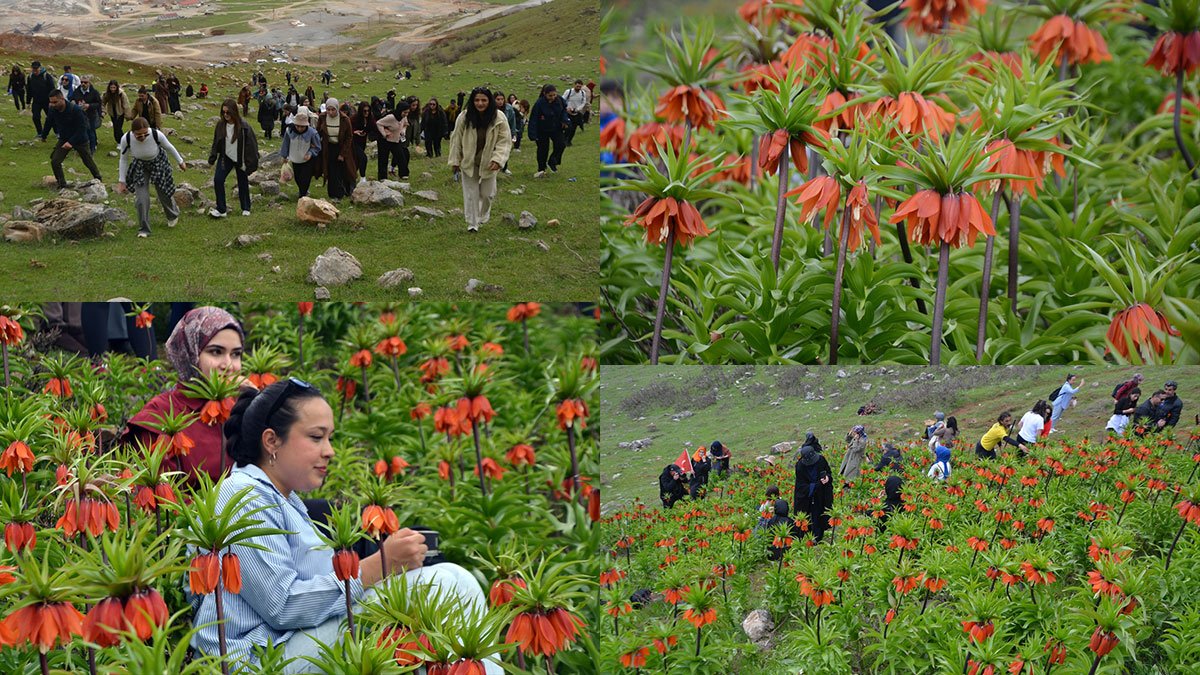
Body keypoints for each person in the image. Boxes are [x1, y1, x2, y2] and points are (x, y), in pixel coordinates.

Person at [189, 378, 499, 674]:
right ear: (271, 440)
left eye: (330, 437)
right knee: (446, 586)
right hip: (260, 659)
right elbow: (282, 605)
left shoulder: (283, 498)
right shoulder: (243, 494)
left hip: (291, 643)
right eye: (316, 437)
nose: (329, 450)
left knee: (453, 577)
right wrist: (379, 566)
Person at [124, 307, 248, 485]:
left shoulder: (240, 406)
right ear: (189, 352)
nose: (228, 365)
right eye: (215, 352)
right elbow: (161, 498)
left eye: (236, 354)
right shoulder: (158, 414)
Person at [447, 87, 512, 232]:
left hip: (489, 161)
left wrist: (498, 159)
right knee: (471, 193)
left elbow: (505, 141)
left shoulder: (499, 117)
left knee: (488, 194)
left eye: (484, 100)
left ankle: (482, 215)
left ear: (490, 101)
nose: (480, 103)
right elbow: (456, 139)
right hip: (469, 160)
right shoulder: (464, 117)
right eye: (477, 100)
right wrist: (455, 161)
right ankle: (472, 223)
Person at [117, 116, 186, 237]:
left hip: (158, 163)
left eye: (145, 134)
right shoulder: (126, 139)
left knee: (163, 192)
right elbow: (123, 159)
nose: (143, 137)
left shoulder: (156, 134)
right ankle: (144, 228)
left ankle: (172, 215)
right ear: (133, 133)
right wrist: (122, 181)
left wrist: (180, 161)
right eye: (139, 135)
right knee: (141, 199)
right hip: (140, 167)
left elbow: (169, 147)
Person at [40, 90, 103, 190]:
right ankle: (62, 184)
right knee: (55, 161)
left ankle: (98, 178)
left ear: (62, 99)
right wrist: (44, 135)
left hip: (80, 139)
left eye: (55, 102)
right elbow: (49, 122)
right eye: (51, 102)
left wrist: (71, 142)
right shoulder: (52, 110)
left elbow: (82, 128)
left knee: (88, 160)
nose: (52, 104)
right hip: (64, 138)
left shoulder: (76, 110)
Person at [207, 98, 259, 218]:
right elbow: (216, 142)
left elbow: (252, 146)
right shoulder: (220, 125)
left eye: (228, 112)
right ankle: (221, 209)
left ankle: (246, 208)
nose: (225, 115)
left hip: (240, 158)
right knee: (218, 180)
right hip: (226, 157)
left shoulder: (244, 127)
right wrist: (212, 158)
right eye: (223, 112)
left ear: (234, 111)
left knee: (242, 182)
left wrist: (251, 163)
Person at [315, 98, 356, 201]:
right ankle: (332, 194)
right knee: (330, 169)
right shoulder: (323, 117)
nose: (330, 112)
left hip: (341, 146)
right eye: (328, 110)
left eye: (333, 110)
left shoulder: (344, 119)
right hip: (328, 147)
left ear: (337, 109)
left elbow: (349, 136)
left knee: (340, 170)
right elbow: (318, 131)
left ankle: (340, 193)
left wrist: (343, 153)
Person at [793, 442, 833, 542]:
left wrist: (827, 478)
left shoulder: (821, 460)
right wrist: (816, 485)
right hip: (807, 494)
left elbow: (828, 472)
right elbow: (801, 485)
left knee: (819, 513)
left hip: (821, 494)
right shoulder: (800, 466)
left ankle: (818, 536)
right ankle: (806, 534)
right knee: (806, 514)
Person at [279, 107, 322, 199]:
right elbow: (286, 144)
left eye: (302, 126)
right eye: (297, 126)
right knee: (298, 178)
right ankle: (303, 192)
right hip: (295, 159)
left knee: (305, 178)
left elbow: (317, 147)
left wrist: (310, 153)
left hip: (307, 160)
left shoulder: (312, 133)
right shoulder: (289, 131)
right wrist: (284, 155)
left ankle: (302, 196)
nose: (299, 128)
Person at [528, 84, 568, 177]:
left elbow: (564, 111)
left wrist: (564, 120)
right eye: (550, 95)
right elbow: (533, 118)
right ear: (544, 94)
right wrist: (532, 134)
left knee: (561, 144)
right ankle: (541, 169)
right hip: (542, 130)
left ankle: (552, 162)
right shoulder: (539, 103)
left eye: (554, 95)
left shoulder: (560, 100)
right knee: (543, 149)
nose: (553, 97)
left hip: (556, 128)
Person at [69, 74, 102, 154]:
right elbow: (72, 99)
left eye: (85, 82)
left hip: (91, 115)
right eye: (82, 82)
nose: (83, 84)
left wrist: (89, 105)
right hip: (79, 114)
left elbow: (98, 103)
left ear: (89, 83)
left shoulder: (94, 92)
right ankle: (81, 148)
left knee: (91, 131)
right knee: (80, 131)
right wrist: (73, 102)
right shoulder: (77, 90)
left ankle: (92, 148)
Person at [375, 108, 409, 180]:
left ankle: (403, 174)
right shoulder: (391, 117)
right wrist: (384, 133)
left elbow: (405, 124)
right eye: (404, 112)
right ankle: (382, 177)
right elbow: (378, 123)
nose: (406, 114)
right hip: (384, 141)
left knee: (401, 156)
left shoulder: (403, 117)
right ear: (400, 111)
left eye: (407, 112)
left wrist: (403, 131)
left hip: (395, 140)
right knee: (383, 159)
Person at [27, 61, 56, 137]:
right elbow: (29, 90)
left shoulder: (46, 76)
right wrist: (28, 102)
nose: (35, 71)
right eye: (33, 69)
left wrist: (52, 101)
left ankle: (57, 132)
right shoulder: (30, 77)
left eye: (36, 69)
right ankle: (40, 132)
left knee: (51, 117)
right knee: (35, 117)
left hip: (47, 101)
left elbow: (52, 89)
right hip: (36, 101)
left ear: (40, 68)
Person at [351, 101, 375, 181]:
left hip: (362, 142)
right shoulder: (354, 118)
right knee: (363, 157)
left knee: (358, 160)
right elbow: (348, 129)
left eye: (368, 111)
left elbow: (374, 127)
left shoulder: (370, 119)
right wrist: (355, 132)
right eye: (365, 111)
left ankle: (353, 175)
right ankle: (363, 177)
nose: (367, 113)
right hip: (354, 141)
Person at [562, 79, 590, 146]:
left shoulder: (583, 93)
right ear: (574, 85)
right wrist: (567, 108)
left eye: (580, 87)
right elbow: (562, 100)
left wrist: (577, 109)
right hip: (567, 113)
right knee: (568, 127)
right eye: (577, 86)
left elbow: (583, 102)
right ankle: (564, 140)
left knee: (574, 128)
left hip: (576, 113)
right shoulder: (568, 92)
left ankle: (569, 141)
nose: (578, 88)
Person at [493, 91, 515, 174]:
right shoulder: (490, 109)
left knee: (505, 149)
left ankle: (504, 167)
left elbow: (512, 121)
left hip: (506, 132)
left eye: (502, 99)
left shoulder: (509, 108)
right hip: (494, 133)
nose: (500, 101)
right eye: (498, 99)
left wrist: (513, 134)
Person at [102, 79, 130, 145]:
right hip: (112, 113)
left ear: (117, 87)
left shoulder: (121, 94)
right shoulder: (107, 94)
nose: (112, 89)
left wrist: (127, 115)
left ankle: (123, 142)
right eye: (111, 87)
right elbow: (102, 102)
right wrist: (103, 111)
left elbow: (126, 104)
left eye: (114, 87)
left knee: (118, 128)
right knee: (115, 128)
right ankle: (120, 142)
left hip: (120, 113)